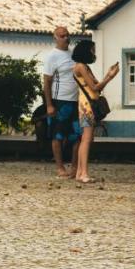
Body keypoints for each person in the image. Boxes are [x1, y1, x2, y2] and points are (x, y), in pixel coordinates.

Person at [70, 41, 118, 183]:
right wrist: (110, 76)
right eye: (92, 50)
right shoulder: (80, 67)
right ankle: (83, 173)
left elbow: (97, 86)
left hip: (87, 105)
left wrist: (108, 76)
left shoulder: (85, 67)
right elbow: (95, 87)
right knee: (86, 140)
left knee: (87, 139)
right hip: (87, 106)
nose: (93, 53)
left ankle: (80, 172)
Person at [41, 26, 80, 177]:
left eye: (67, 35)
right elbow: (47, 82)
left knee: (77, 135)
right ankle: (60, 167)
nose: (66, 38)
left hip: (75, 101)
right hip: (59, 101)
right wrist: (49, 104)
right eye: (62, 36)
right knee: (58, 135)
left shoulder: (72, 54)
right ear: (55, 38)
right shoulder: (52, 56)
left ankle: (75, 167)